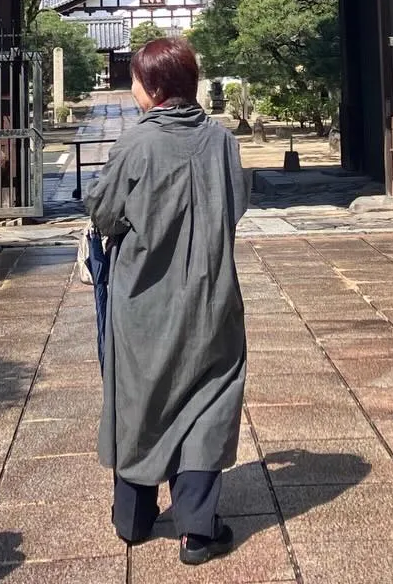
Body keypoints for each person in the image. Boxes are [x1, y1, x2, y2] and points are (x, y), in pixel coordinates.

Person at [86, 37, 248, 567]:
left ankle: (132, 518)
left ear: (153, 88)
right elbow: (236, 204)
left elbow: (103, 212)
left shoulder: (137, 144)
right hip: (211, 292)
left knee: (139, 396)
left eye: (135, 80)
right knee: (208, 398)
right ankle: (197, 530)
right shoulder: (223, 141)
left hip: (143, 297)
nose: (132, 88)